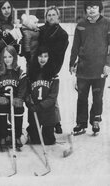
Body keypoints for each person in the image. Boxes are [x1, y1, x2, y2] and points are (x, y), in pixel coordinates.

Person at [69, 1, 110, 135]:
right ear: (85, 9)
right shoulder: (81, 25)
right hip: (83, 68)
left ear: (100, 8)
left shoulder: (107, 23)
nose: (91, 10)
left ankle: (96, 119)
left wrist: (108, 64)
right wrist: (71, 63)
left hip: (99, 69)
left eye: (94, 7)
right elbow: (75, 46)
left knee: (98, 97)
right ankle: (81, 123)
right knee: (82, 97)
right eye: (89, 7)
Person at [38, 6, 69, 134]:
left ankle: (56, 121)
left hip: (51, 67)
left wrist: (51, 68)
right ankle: (38, 121)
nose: (51, 17)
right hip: (38, 65)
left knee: (51, 95)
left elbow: (58, 53)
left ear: (58, 17)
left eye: (53, 15)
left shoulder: (62, 34)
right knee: (39, 93)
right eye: (49, 15)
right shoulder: (41, 30)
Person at [0, 45, 26, 152]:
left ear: (15, 57)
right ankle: (2, 136)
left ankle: (16, 136)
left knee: (19, 108)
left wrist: (19, 98)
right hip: (3, 100)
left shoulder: (20, 72)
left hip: (14, 99)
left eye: (10, 57)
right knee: (1, 107)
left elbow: (22, 88)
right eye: (5, 57)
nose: (7, 60)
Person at [26, 47, 58, 145]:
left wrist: (40, 106)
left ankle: (50, 131)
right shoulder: (31, 74)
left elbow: (53, 97)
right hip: (34, 111)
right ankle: (30, 131)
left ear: (49, 58)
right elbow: (26, 92)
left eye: (45, 56)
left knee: (49, 141)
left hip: (47, 112)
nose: (42, 59)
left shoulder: (53, 75)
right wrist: (29, 103)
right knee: (35, 140)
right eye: (40, 56)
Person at [0, 0, 22, 70]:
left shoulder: (11, 24)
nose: (7, 10)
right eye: (4, 8)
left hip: (11, 64)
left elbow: (10, 46)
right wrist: (10, 37)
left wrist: (16, 48)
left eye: (8, 7)